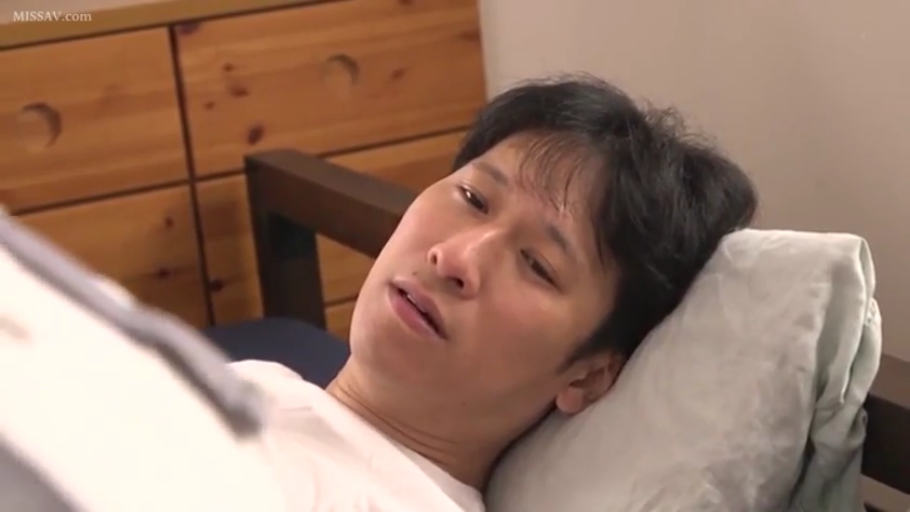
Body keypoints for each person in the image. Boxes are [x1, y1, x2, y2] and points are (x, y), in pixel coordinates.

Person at [232, 75, 758, 511]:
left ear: (587, 374)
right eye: (472, 198)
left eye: (537, 265)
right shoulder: (252, 386)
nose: (456, 258)